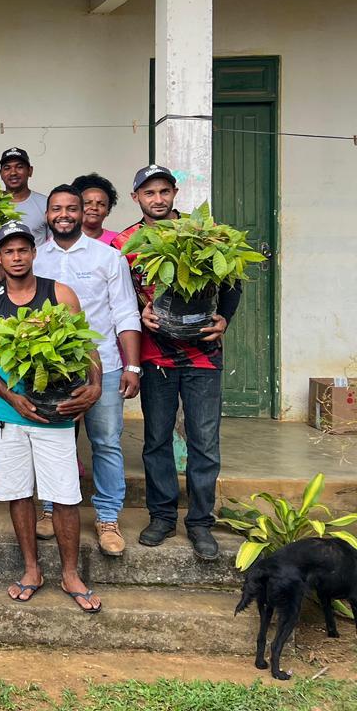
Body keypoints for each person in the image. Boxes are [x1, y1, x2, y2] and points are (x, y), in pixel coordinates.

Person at [0, 221, 103, 613]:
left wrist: (94, 385)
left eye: (22, 249)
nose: (16, 257)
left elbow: (85, 346)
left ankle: (71, 573)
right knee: (18, 494)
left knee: (64, 496)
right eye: (8, 251)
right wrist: (11, 396)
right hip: (6, 413)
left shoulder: (58, 293)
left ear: (33, 252)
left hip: (54, 413)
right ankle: (32, 570)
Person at [113, 164, 242, 561]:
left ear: (174, 194)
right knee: (157, 440)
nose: (157, 199)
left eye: (164, 191)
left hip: (203, 354)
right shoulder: (126, 241)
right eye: (148, 193)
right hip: (156, 356)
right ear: (136, 197)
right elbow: (121, 292)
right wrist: (140, 313)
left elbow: (232, 281)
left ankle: (200, 522)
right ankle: (163, 516)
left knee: (204, 442)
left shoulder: (204, 235)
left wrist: (224, 319)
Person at [33, 185, 141, 555]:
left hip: (106, 366)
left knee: (106, 443)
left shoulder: (108, 258)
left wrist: (132, 365)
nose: (64, 214)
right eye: (56, 208)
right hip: (53, 370)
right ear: (47, 215)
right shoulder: (36, 259)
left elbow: (126, 312)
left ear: (84, 214)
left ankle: (108, 517)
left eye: (71, 208)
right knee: (55, 442)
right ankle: (49, 509)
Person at [0, 148, 48, 246]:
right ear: (1, 173)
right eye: (7, 168)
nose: (13, 173)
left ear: (30, 171)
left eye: (19, 167)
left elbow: (53, 243)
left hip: (36, 262)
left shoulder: (46, 204)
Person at [71, 173, 119, 243]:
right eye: (87, 203)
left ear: (108, 210)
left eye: (101, 204)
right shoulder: (61, 240)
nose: (94, 207)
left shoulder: (118, 241)